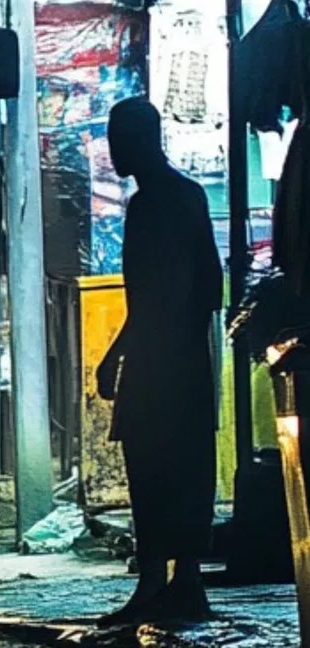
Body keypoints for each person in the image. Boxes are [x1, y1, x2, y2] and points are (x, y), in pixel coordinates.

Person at [96, 98, 222, 624]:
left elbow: (156, 297)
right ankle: (182, 582)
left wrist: (122, 355)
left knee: (153, 474)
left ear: (141, 140)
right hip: (181, 361)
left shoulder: (153, 206)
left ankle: (156, 585)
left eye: (118, 138)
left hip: (159, 364)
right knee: (185, 472)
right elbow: (206, 286)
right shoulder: (182, 197)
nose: (112, 148)